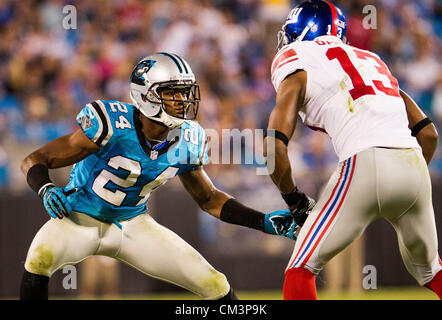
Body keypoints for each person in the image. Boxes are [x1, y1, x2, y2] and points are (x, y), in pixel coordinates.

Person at [20, 52, 300, 300]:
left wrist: (262, 221)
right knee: (38, 260)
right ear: (146, 95)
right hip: (78, 218)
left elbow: (210, 199)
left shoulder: (188, 139)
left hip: (132, 225)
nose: (183, 100)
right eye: (173, 93)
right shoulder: (111, 123)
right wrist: (45, 188)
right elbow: (35, 159)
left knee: (215, 284)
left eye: (185, 92)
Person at [264, 0, 442, 300]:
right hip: (413, 166)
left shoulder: (296, 57)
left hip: (364, 161)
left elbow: (274, 146)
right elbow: (428, 134)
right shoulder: (371, 60)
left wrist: (294, 201)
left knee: (301, 268)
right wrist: (404, 177)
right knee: (431, 272)